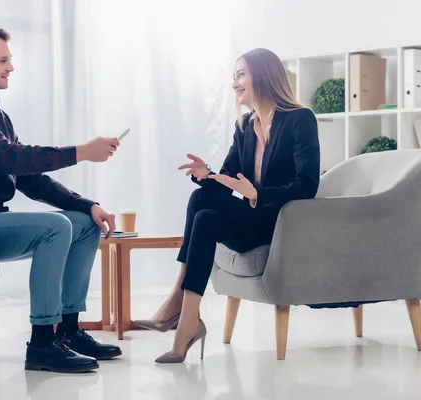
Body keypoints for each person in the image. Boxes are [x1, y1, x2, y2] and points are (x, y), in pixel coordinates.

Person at [0, 25, 122, 373]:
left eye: (10, 59)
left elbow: (29, 179)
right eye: (2, 60)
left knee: (83, 224)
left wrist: (88, 205)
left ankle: (68, 331)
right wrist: (81, 152)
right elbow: (9, 158)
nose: (10, 67)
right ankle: (43, 343)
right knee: (55, 227)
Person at [134, 48, 320, 363]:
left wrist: (259, 195)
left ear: (264, 75)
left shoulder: (299, 119)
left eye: (241, 75)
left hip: (280, 225)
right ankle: (188, 318)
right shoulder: (245, 126)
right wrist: (206, 174)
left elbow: (307, 185)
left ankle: (178, 307)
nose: (234, 84)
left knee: (205, 211)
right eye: (233, 77)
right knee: (203, 207)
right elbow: (226, 181)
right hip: (251, 222)